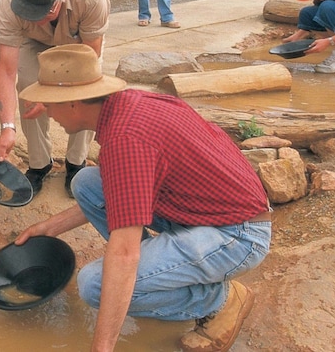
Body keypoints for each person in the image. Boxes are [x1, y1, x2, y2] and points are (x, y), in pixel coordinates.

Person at [14, 44, 272, 352]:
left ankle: (219, 299)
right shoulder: (125, 105)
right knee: (85, 182)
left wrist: (101, 347)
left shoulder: (125, 141)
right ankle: (162, 273)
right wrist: (49, 227)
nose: (49, 113)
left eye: (51, 104)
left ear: (74, 103)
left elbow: (124, 255)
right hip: (206, 211)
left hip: (238, 235)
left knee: (94, 284)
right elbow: (123, 193)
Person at [0, 0, 110, 197]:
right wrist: (7, 127)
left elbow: (89, 55)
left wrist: (50, 98)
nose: (34, 16)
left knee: (85, 92)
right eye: (29, 9)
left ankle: (76, 163)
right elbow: (5, 69)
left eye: (43, 10)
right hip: (33, 40)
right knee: (27, 90)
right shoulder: (9, 0)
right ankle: (39, 164)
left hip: (79, 43)